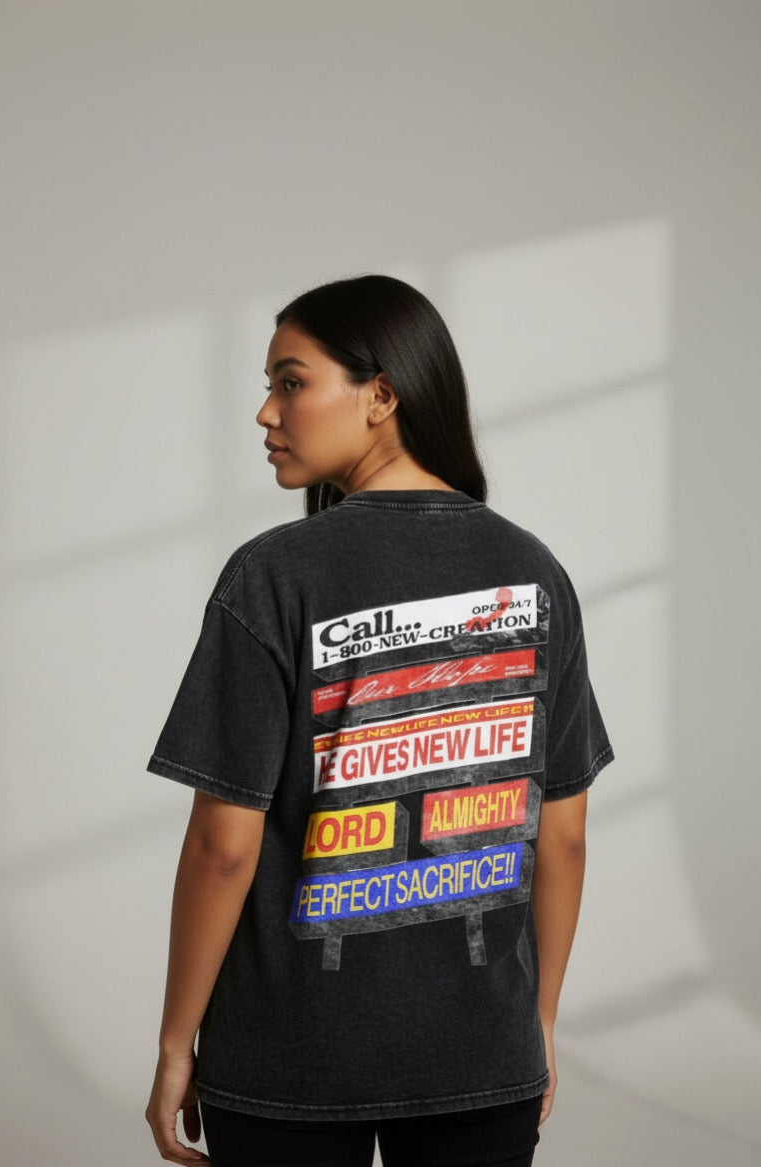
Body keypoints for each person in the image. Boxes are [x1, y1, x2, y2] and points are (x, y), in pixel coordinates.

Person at [144, 274, 614, 1167]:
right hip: (482, 1055)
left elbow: (222, 848)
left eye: (291, 382)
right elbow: (564, 837)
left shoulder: (274, 575)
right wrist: (538, 1023)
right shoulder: (535, 571)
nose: (265, 413)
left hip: (287, 1061)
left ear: (382, 396)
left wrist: (176, 1045)